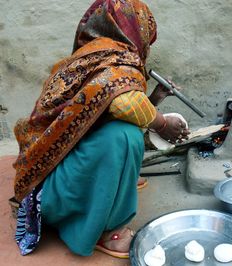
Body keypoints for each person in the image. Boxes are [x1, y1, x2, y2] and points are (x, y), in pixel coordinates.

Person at [12, 0, 190, 259]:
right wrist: (162, 123)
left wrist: (153, 100)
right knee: (124, 137)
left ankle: (118, 184)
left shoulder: (94, 56)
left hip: (48, 174)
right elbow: (121, 103)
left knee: (121, 132)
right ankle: (108, 230)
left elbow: (101, 111)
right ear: (132, 27)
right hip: (50, 193)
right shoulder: (113, 58)